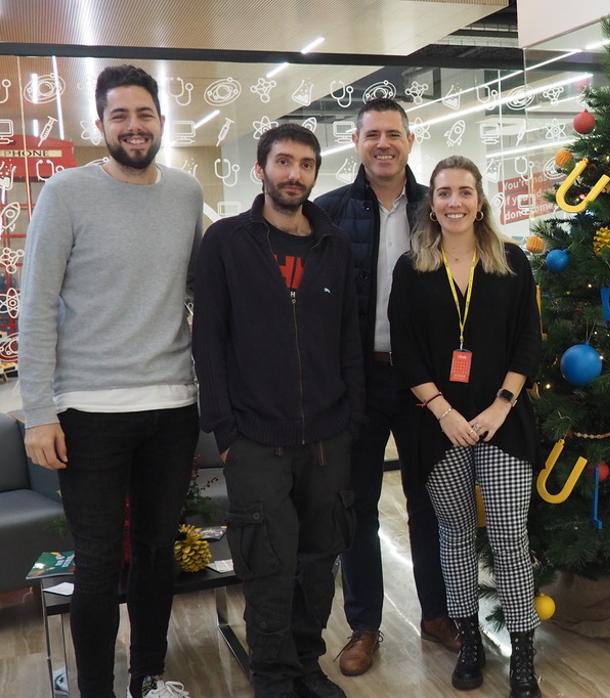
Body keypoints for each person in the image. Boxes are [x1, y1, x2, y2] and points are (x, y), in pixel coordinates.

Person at [20, 64, 202, 698]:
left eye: (143, 114)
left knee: (156, 551)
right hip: (88, 411)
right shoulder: (66, 192)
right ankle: (96, 687)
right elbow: (37, 302)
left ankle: (150, 676)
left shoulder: (185, 193)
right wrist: (37, 410)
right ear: (99, 125)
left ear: (160, 121)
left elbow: (202, 289)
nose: (133, 126)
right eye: (119, 116)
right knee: (98, 562)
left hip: (173, 405)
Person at [192, 124, 363, 698]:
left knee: (319, 561)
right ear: (260, 169)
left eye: (307, 164)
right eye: (283, 162)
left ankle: (305, 666)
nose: (295, 174)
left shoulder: (332, 245)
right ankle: (271, 675)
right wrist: (225, 429)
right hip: (255, 437)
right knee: (267, 561)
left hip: (327, 435)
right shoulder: (226, 243)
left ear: (316, 173)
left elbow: (349, 339)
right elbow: (208, 340)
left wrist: (353, 419)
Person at [314, 98, 458, 677]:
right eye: (371, 134)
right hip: (359, 379)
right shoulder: (328, 213)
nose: (382, 144)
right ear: (356, 142)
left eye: (392, 134)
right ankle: (365, 624)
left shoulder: (437, 209)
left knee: (431, 502)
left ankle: (440, 614)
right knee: (358, 506)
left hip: (428, 381)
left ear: (409, 140)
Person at [388, 156, 542, 698]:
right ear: (432, 202)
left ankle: (523, 655)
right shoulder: (411, 269)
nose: (454, 202)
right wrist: (444, 412)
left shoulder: (512, 264)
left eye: (465, 192)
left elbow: (528, 341)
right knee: (454, 535)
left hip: (504, 421)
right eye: (444, 192)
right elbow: (404, 353)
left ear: (481, 202)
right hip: (439, 427)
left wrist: (502, 404)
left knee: (507, 535)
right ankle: (471, 643)